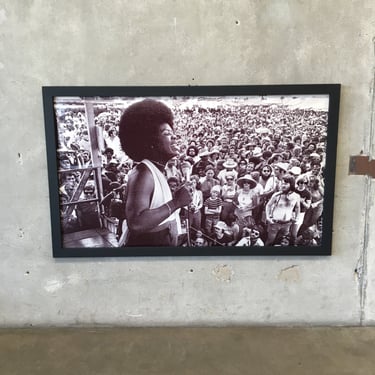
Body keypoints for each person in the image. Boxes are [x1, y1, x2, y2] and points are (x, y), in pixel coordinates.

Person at [118, 99, 192, 246]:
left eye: (173, 133)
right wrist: (176, 202)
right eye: (167, 134)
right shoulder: (143, 173)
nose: (175, 137)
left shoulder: (157, 169)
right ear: (150, 141)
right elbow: (136, 223)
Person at [265, 174, 301, 245]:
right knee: (270, 241)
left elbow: (297, 207)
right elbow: (268, 205)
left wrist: (297, 217)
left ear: (291, 184)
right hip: (275, 223)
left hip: (287, 224)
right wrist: (268, 217)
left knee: (281, 242)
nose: (283, 185)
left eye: (286, 183)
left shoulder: (296, 196)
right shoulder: (276, 195)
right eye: (282, 183)